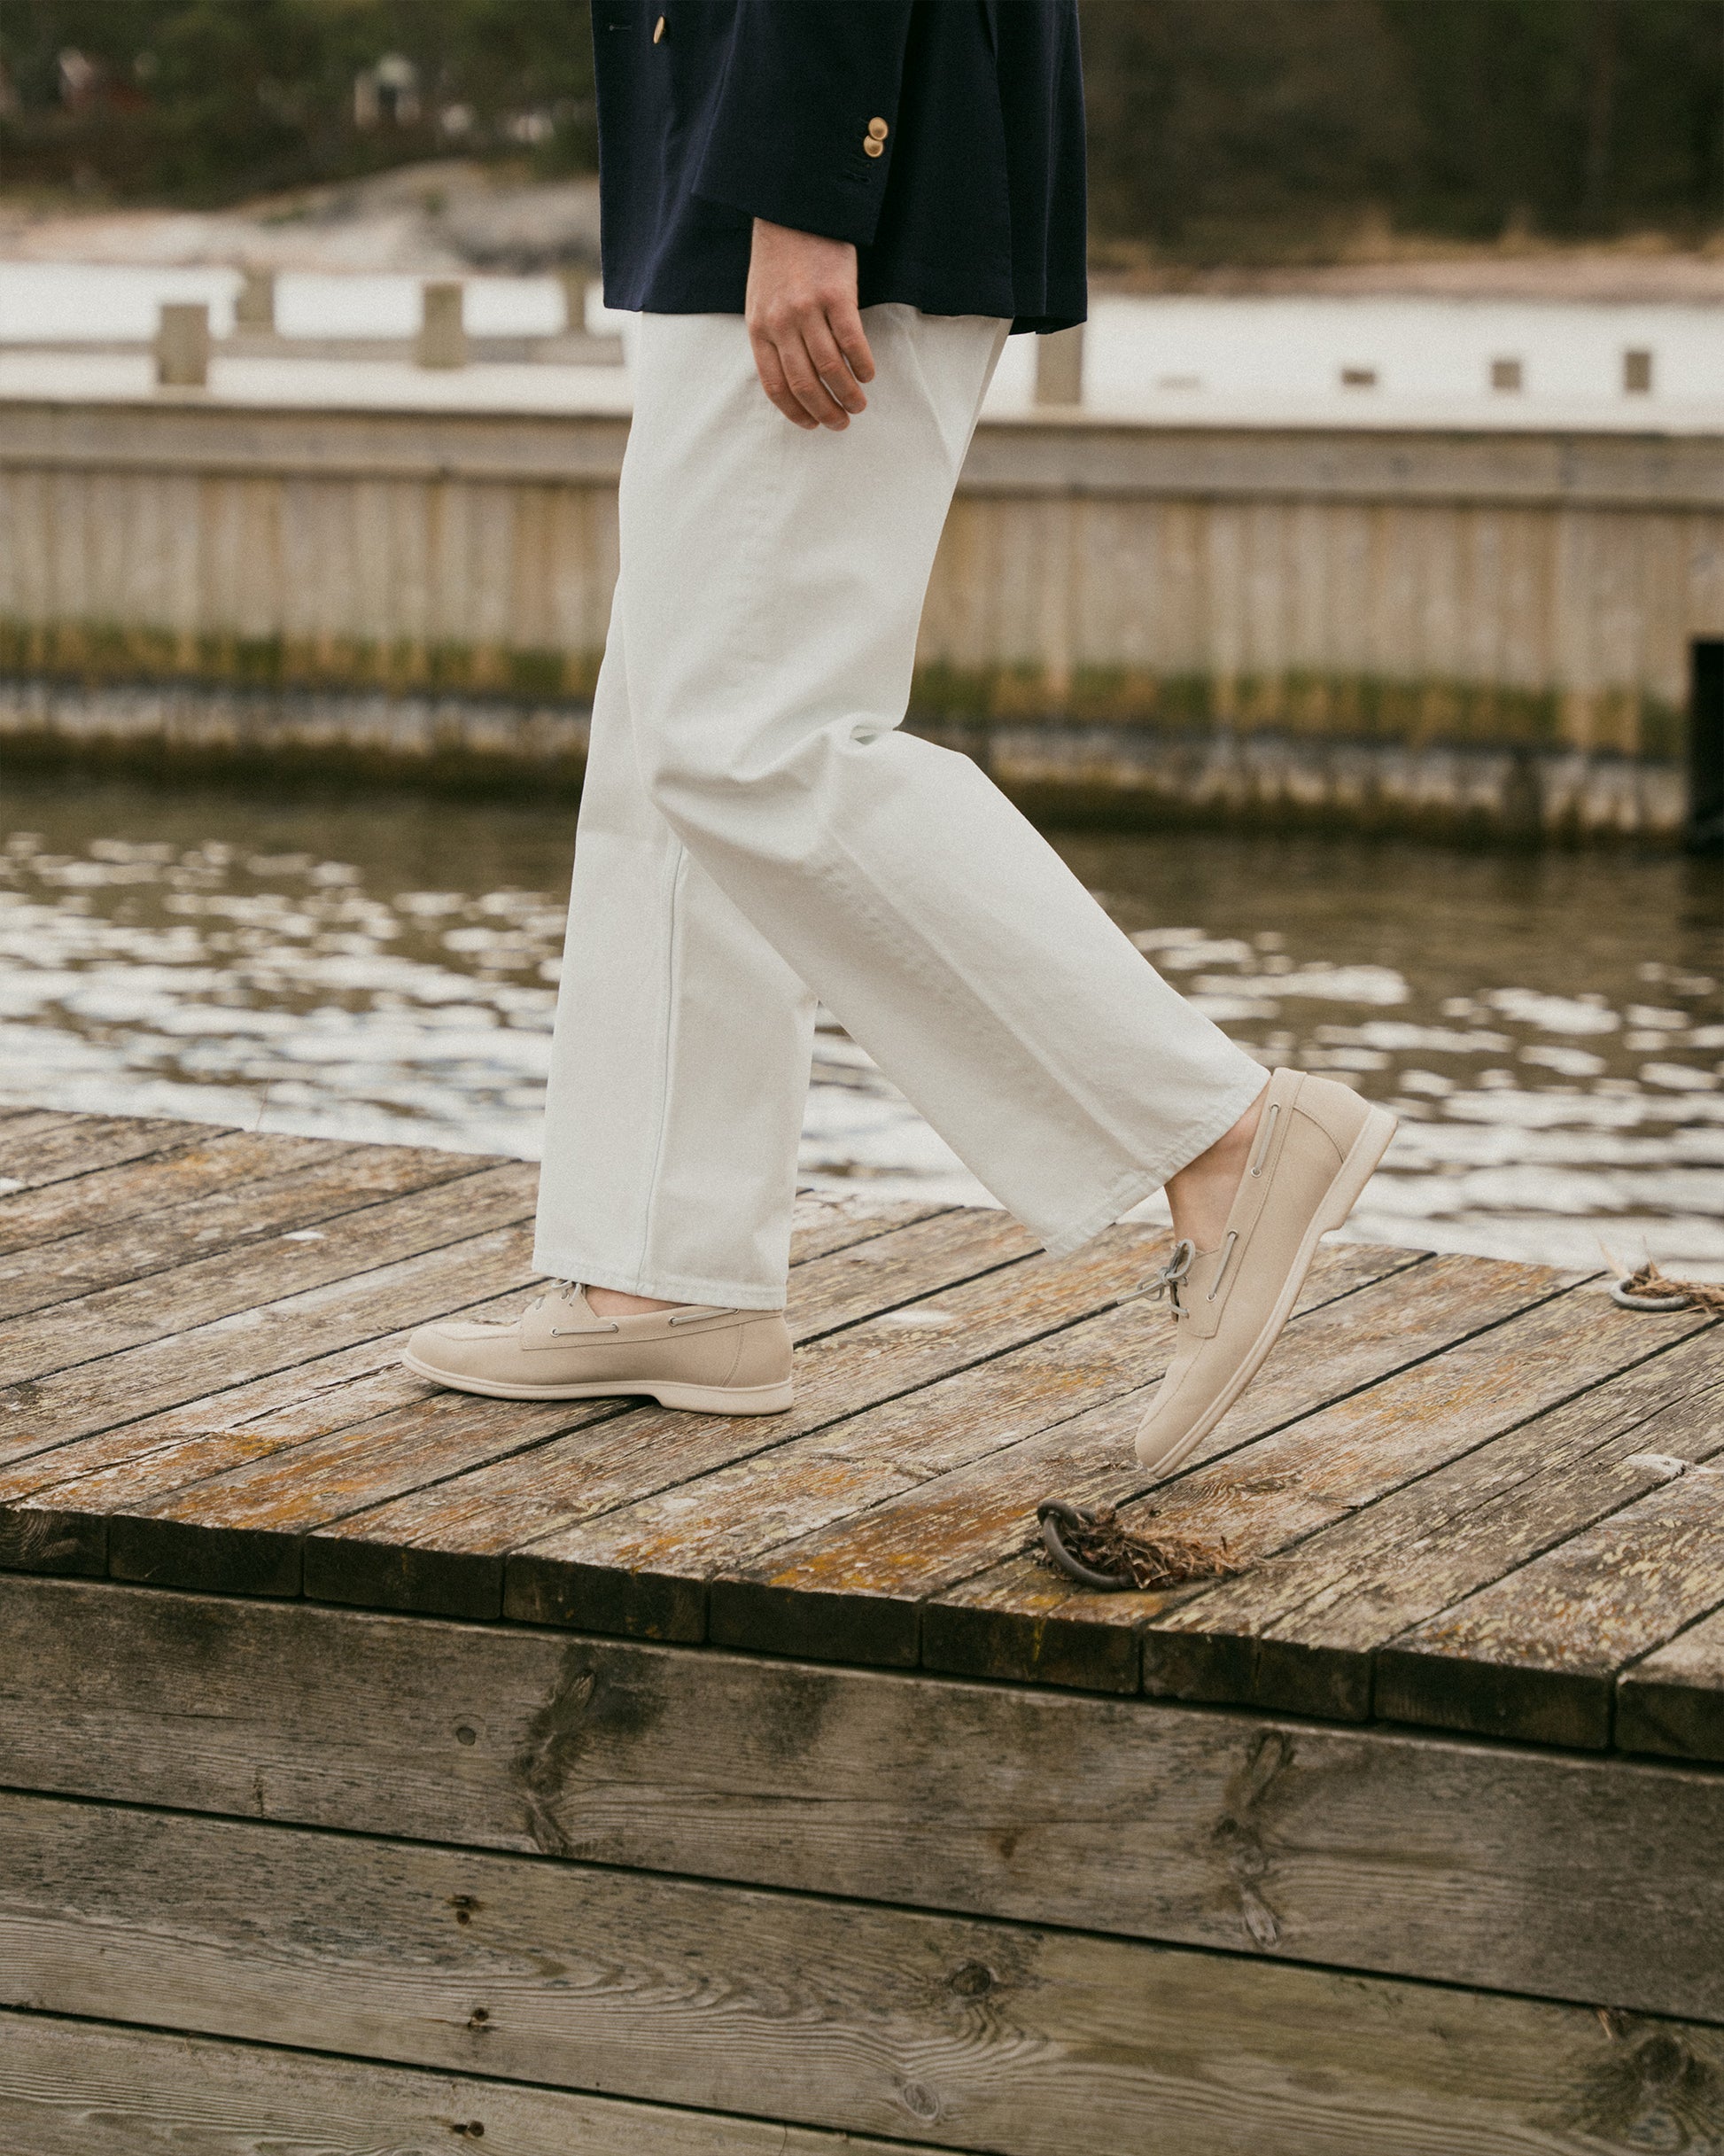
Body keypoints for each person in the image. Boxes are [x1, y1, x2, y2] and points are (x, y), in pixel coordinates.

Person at [404, 0, 1395, 1480]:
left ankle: (1225, 1132)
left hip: (827, 144)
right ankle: (659, 1271)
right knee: (671, 734)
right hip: (750, 128)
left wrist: (807, 179)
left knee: (747, 732)